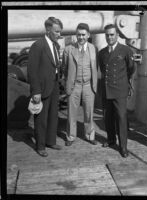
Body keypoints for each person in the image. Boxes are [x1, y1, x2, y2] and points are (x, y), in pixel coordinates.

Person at [27, 17, 63, 157]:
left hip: (54, 85)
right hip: (41, 88)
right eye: (57, 32)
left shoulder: (56, 45)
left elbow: (55, 65)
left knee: (53, 115)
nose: (59, 34)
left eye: (60, 31)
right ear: (48, 31)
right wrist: (35, 91)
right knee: (41, 117)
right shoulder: (38, 45)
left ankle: (50, 141)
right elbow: (32, 70)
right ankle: (40, 145)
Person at [98, 24, 135, 158]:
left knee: (121, 117)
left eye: (112, 34)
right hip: (107, 89)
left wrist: (125, 82)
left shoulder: (125, 50)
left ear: (117, 35)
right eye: (107, 35)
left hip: (120, 90)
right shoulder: (101, 53)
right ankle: (111, 139)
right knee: (107, 117)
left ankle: (123, 146)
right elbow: (103, 69)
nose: (109, 37)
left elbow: (131, 68)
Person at [62, 23, 98, 146]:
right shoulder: (68, 49)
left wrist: (94, 85)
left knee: (89, 112)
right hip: (74, 86)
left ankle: (90, 135)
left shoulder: (93, 48)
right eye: (78, 35)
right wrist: (68, 83)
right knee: (72, 113)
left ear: (88, 35)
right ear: (76, 35)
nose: (81, 37)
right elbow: (64, 69)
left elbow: (95, 67)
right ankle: (71, 136)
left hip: (89, 86)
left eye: (83, 35)